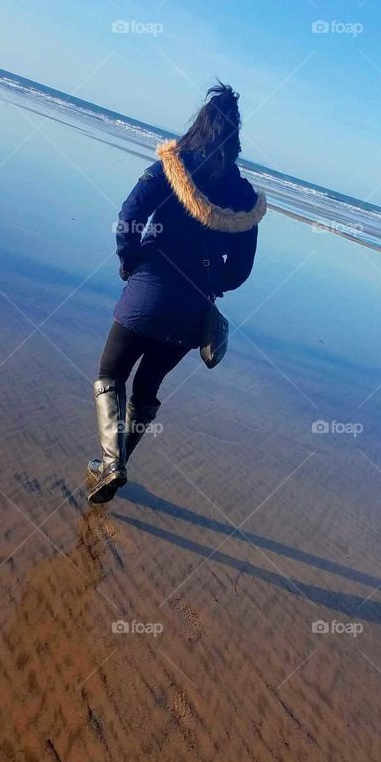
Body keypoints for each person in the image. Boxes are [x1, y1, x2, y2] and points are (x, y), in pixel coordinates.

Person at [87, 82, 267, 504]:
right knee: (146, 391)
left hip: (147, 295)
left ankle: (112, 465)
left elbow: (129, 218)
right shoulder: (243, 196)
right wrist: (210, 286)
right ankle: (115, 465)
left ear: (198, 125)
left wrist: (129, 261)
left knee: (110, 376)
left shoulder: (174, 165)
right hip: (192, 314)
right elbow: (240, 270)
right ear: (236, 138)